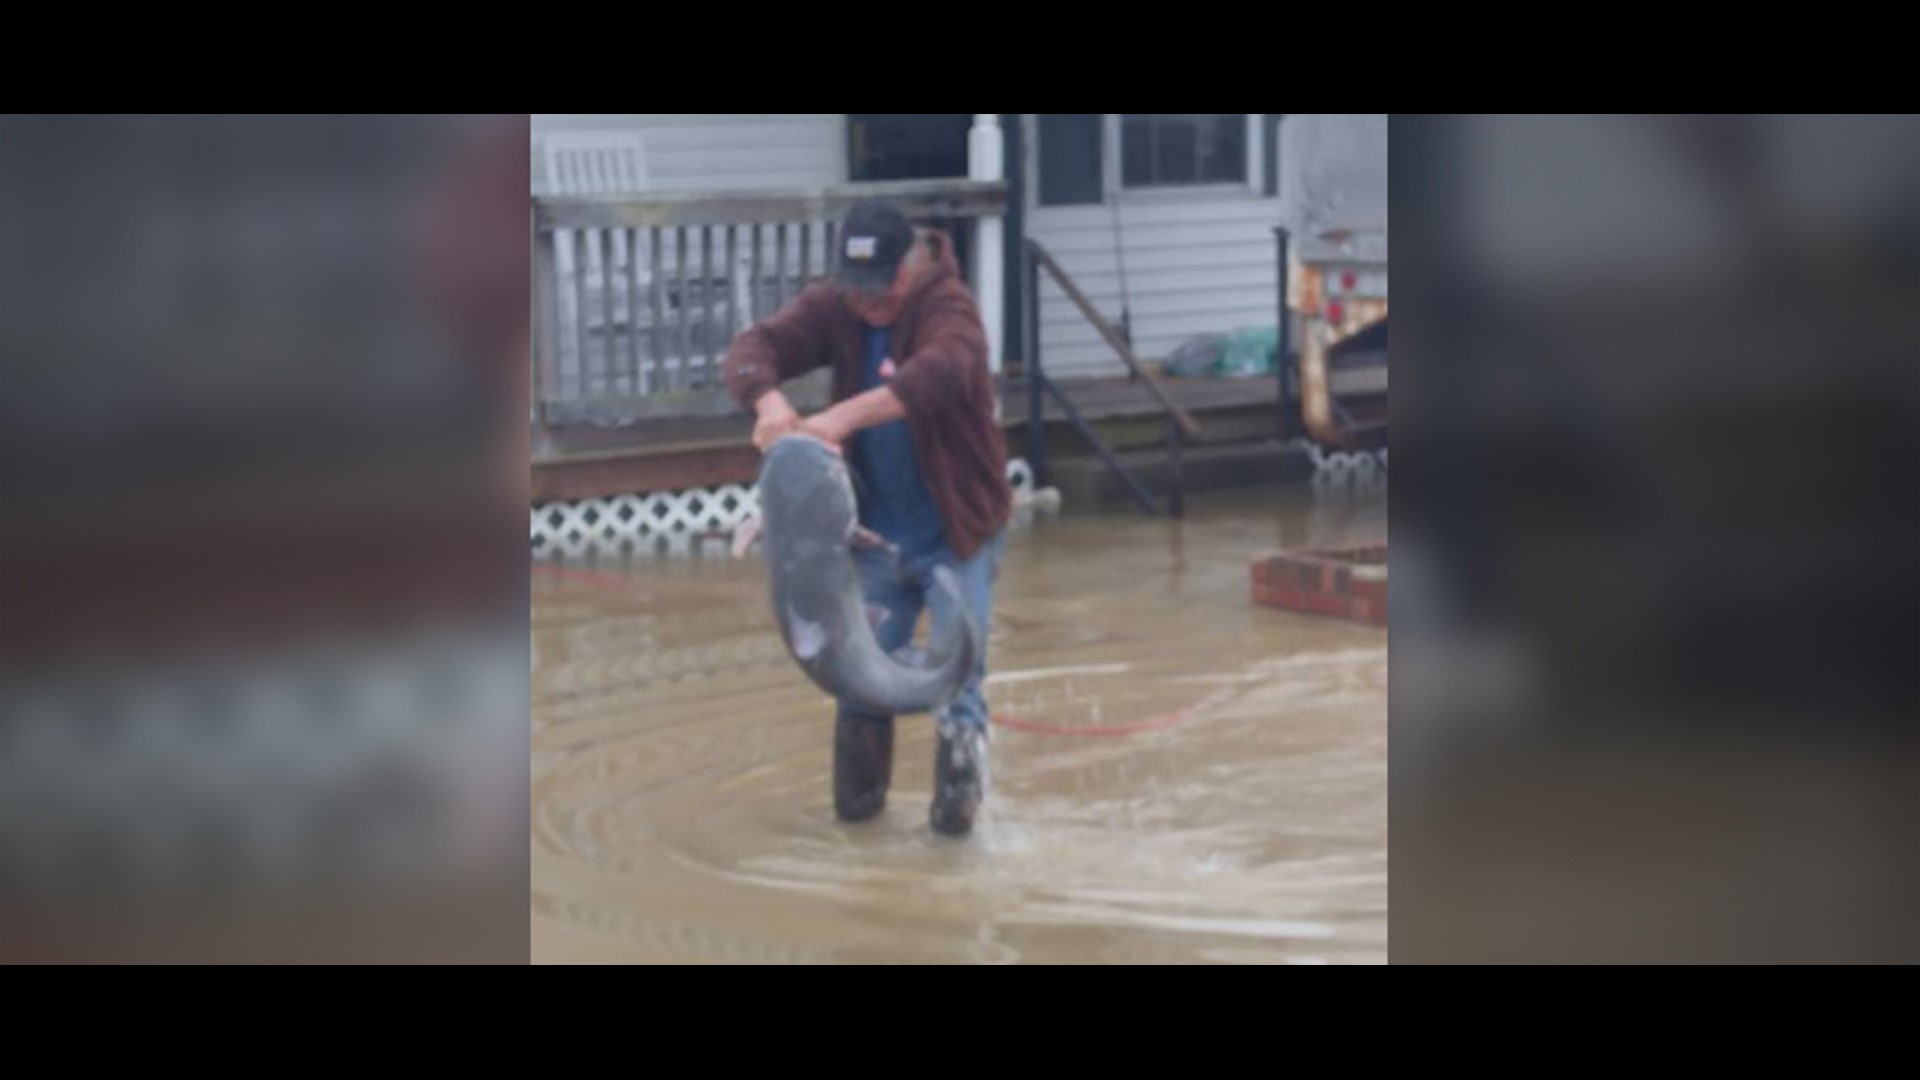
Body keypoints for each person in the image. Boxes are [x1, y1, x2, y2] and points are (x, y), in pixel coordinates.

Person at [721, 200, 1011, 837]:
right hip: (876, 538)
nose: (867, 304)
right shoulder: (837, 305)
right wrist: (768, 402)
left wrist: (834, 420)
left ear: (909, 265)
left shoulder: (948, 306)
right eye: (854, 292)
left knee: (960, 679)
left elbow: (943, 373)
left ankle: (955, 838)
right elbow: (752, 348)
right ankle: (858, 827)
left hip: (958, 531)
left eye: (879, 290)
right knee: (857, 678)